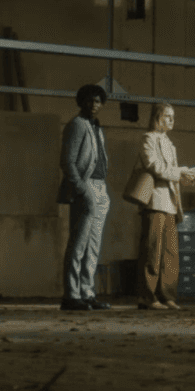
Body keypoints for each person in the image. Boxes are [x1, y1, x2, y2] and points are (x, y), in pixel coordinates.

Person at [125, 103, 195, 310]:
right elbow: (154, 166)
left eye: (172, 116)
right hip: (155, 202)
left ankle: (167, 295)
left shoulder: (169, 143)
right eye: (167, 116)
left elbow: (169, 172)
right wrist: (179, 172)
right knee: (152, 251)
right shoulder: (148, 139)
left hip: (171, 203)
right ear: (157, 117)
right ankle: (147, 297)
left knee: (170, 254)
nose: (171, 120)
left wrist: (185, 176)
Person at [59, 84, 111, 311]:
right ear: (81, 102)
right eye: (90, 100)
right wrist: (81, 188)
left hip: (100, 187)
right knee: (78, 244)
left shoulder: (96, 127)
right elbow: (67, 161)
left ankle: (87, 293)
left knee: (93, 247)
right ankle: (71, 295)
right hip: (86, 185)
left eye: (98, 101)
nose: (94, 105)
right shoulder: (77, 125)